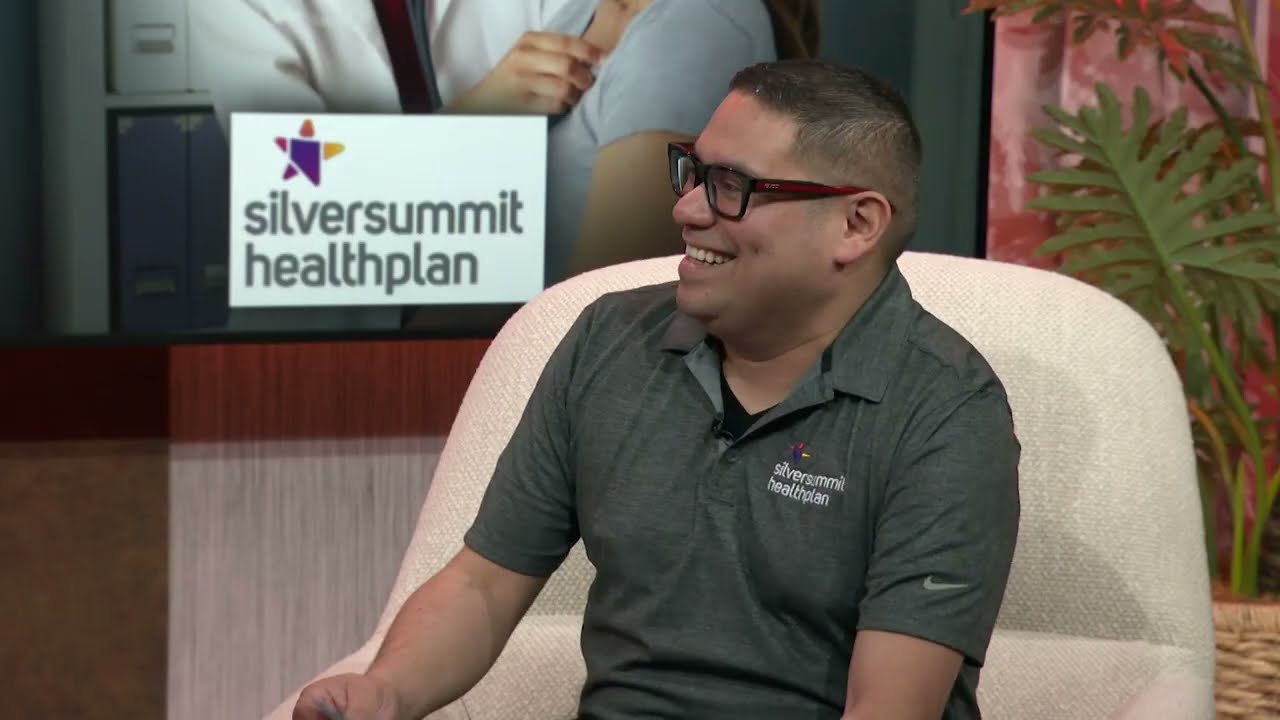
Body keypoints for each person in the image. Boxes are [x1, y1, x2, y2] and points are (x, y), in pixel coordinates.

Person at [292, 59, 1022, 720]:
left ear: (856, 224)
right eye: (693, 173)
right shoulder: (610, 340)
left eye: (731, 186)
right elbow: (483, 587)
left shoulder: (948, 411)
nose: (687, 209)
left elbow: (889, 709)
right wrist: (383, 692)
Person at [190, 0, 819, 333]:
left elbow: (605, 303)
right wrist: (477, 115)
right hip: (338, 337)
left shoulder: (690, 28)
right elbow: (294, 186)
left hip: (486, 355)